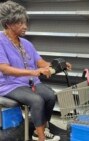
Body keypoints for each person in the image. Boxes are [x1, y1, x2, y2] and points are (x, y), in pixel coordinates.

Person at [0, 1, 72, 141]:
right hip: (9, 85)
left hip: (29, 82)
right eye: (20, 23)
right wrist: (33, 72)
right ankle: (41, 138)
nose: (25, 26)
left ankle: (41, 129)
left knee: (50, 95)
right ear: (8, 24)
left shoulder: (26, 43)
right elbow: (4, 68)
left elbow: (41, 63)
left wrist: (59, 65)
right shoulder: (0, 41)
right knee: (37, 100)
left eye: (25, 22)